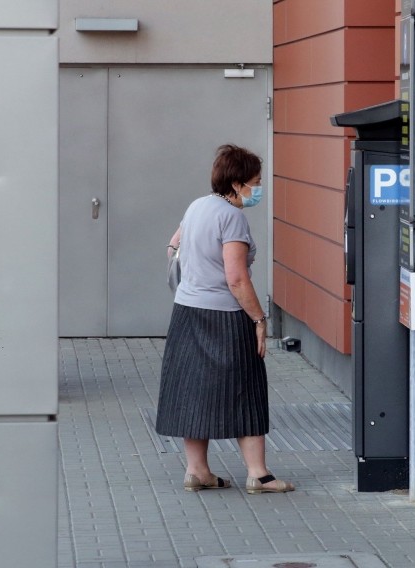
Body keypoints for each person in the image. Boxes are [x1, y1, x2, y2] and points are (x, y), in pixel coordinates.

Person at [156, 144, 294, 494]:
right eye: (255, 181)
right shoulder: (232, 217)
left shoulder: (198, 205)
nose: (258, 188)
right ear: (237, 183)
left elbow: (173, 246)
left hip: (187, 311)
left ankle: (197, 471)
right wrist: (259, 319)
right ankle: (258, 475)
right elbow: (236, 278)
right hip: (225, 316)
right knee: (244, 389)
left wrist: (195, 276)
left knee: (192, 387)